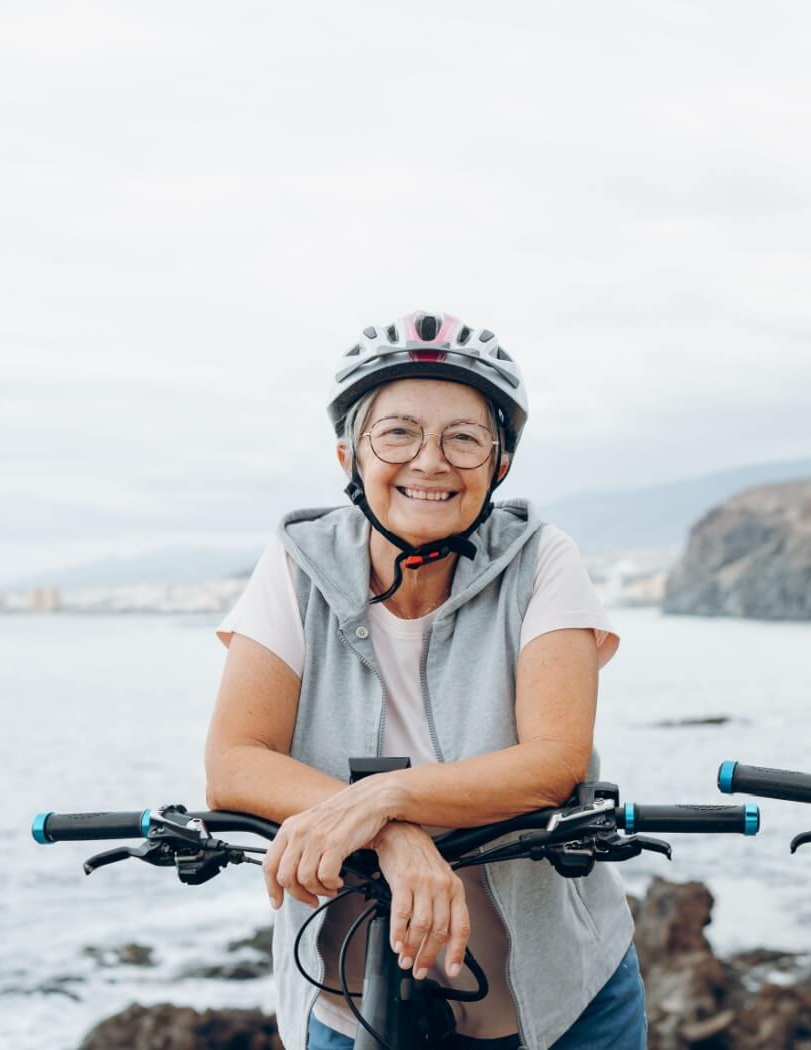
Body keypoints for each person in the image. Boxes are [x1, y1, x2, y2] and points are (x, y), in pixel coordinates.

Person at [205, 311, 644, 1050]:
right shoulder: (295, 564)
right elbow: (234, 762)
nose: (430, 462)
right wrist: (397, 838)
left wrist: (383, 798)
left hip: (562, 998)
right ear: (349, 455)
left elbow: (553, 762)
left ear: (499, 464)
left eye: (464, 438)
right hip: (352, 996)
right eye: (398, 433)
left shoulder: (543, 559)